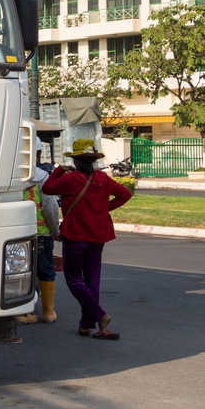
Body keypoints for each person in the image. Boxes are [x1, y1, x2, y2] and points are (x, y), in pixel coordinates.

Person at [42, 138, 132, 340]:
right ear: (93, 161)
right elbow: (125, 195)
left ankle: (100, 315)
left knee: (74, 280)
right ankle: (86, 324)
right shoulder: (103, 178)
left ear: (76, 161)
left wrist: (57, 171)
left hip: (76, 236)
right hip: (98, 236)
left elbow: (47, 189)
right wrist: (103, 209)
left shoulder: (70, 179)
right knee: (92, 279)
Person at [17, 140, 61, 325]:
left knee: (19, 271)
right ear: (36, 155)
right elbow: (50, 208)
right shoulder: (43, 177)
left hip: (16, 235)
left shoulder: (10, 177)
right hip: (41, 233)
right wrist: (55, 230)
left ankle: (21, 313)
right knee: (46, 271)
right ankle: (48, 312)